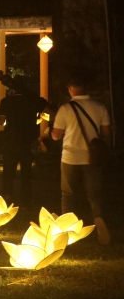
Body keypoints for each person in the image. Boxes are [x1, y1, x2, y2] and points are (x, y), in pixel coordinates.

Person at [50, 74, 112, 245]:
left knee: (68, 194)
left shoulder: (65, 108)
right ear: (86, 88)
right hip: (92, 158)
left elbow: (55, 136)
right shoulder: (99, 107)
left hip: (70, 157)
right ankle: (99, 220)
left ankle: (67, 231)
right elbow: (106, 133)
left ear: (70, 89)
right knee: (94, 195)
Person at [0, 72, 48, 204]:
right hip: (28, 140)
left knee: (8, 172)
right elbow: (43, 102)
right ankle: (26, 200)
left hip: (11, 139)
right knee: (26, 173)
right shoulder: (33, 100)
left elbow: (0, 121)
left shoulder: (6, 101)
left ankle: (6, 197)